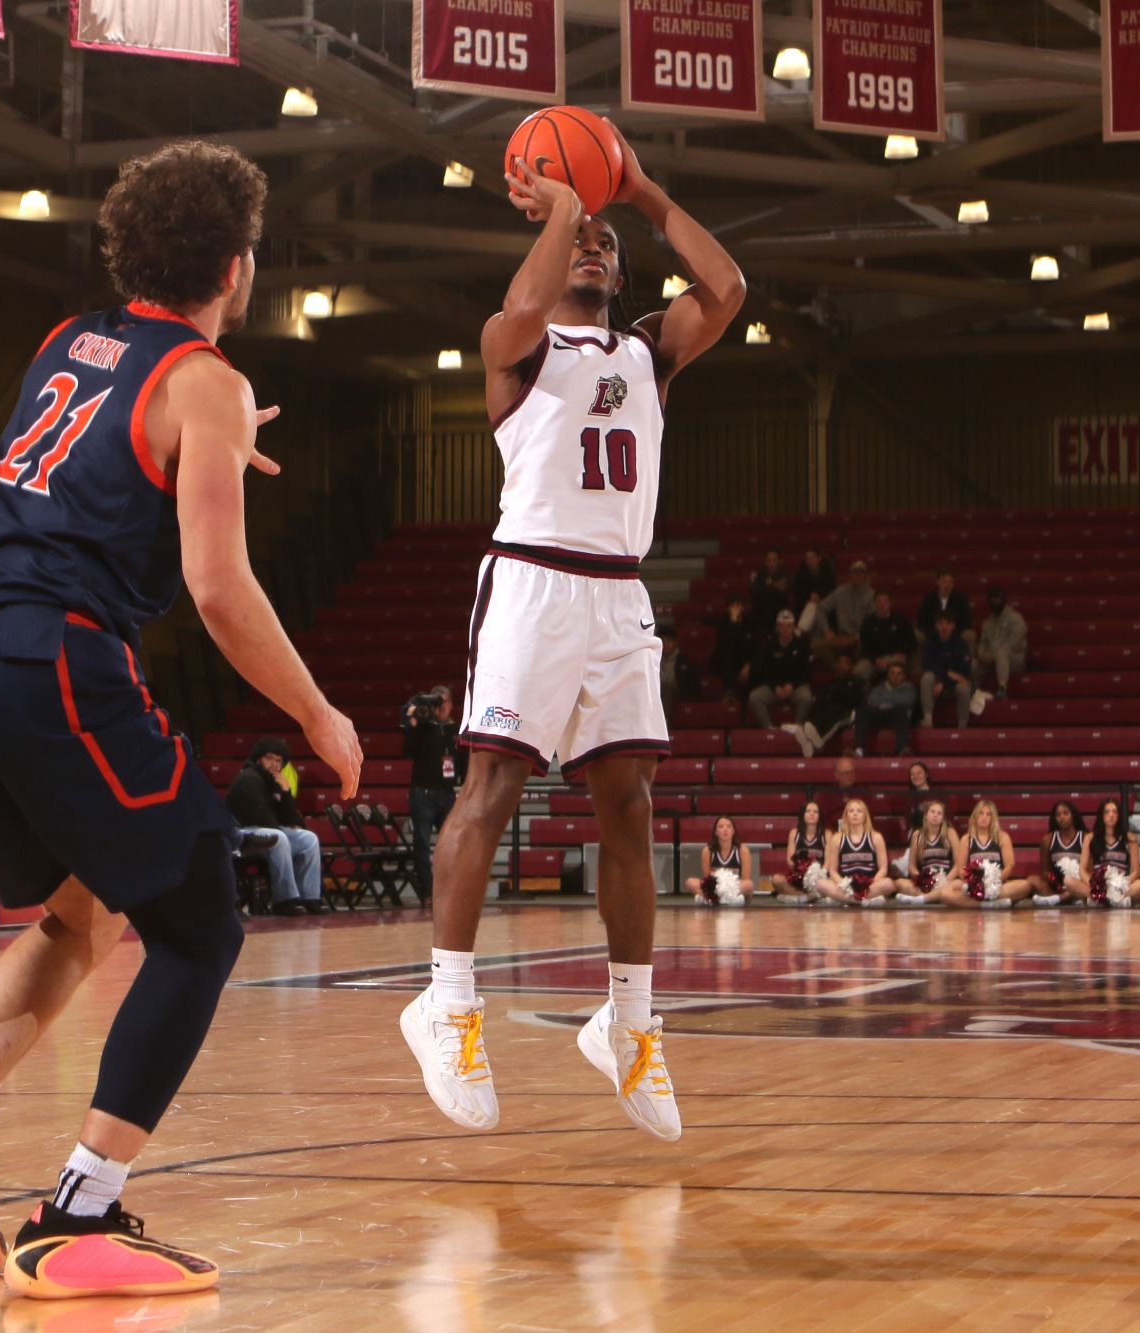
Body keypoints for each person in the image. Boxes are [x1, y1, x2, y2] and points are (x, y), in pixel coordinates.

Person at [0, 140, 362, 1303]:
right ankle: (78, 1212)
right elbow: (220, 593)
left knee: (78, 912)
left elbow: (97, 460)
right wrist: (319, 713)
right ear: (238, 265)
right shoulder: (205, 380)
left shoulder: (69, 342)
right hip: (49, 663)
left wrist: (216, 441)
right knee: (199, 925)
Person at [403, 120, 741, 1148]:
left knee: (628, 806)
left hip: (616, 594)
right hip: (533, 584)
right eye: (576, 239)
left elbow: (725, 291)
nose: (592, 245)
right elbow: (516, 305)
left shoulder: (646, 350)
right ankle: (446, 1003)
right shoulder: (517, 348)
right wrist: (561, 212)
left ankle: (628, 1020)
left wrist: (635, 189)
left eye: (605, 244)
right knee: (491, 788)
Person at [226, 738, 326, 915]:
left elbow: (290, 818)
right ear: (259, 759)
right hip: (242, 834)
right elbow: (260, 817)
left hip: (266, 831)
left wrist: (286, 793)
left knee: (309, 839)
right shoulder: (248, 778)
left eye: (278, 761)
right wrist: (282, 831)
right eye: (270, 759)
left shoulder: (274, 781)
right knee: (279, 838)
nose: (274, 764)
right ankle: (284, 900)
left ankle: (309, 897)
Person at [400, 686, 462, 906]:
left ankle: (452, 889)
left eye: (444, 702)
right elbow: (407, 751)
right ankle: (427, 890)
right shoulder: (423, 727)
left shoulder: (456, 729)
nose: (441, 707)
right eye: (436, 703)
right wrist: (413, 724)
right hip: (422, 793)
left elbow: (462, 762)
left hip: (446, 793)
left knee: (452, 844)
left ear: (451, 704)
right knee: (422, 843)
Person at [940, 799, 1033, 906]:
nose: (984, 817)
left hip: (997, 885)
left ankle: (984, 899)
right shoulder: (967, 839)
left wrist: (994, 881)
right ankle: (988, 904)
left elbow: (1010, 865)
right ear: (975, 816)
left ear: (993, 818)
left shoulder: (1002, 837)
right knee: (944, 893)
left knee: (1025, 885)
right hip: (973, 885)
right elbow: (961, 868)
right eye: (981, 813)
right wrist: (973, 883)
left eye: (988, 814)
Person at [745, 609, 815, 729]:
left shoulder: (802, 645)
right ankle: (768, 727)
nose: (785, 629)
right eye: (782, 626)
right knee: (754, 697)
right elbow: (765, 671)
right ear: (777, 628)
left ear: (794, 627)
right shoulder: (769, 645)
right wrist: (775, 686)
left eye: (788, 626)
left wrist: (792, 685)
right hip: (774, 688)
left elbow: (806, 672)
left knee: (807, 698)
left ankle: (798, 727)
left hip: (795, 687)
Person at [819, 797, 894, 905]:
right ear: (846, 816)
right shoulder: (837, 838)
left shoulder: (876, 837)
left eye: (859, 811)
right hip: (846, 884)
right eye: (851, 811)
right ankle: (864, 900)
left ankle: (843, 899)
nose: (855, 814)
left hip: (869, 884)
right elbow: (833, 870)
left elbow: (883, 869)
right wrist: (843, 884)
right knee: (820, 884)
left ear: (865, 816)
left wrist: (870, 883)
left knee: (888, 884)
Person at [793, 651, 863, 757]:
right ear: (835, 665)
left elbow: (854, 700)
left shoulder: (857, 682)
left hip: (846, 714)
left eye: (846, 663)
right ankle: (807, 735)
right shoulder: (829, 684)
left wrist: (835, 696)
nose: (842, 666)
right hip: (828, 712)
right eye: (839, 663)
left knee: (833, 718)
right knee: (817, 717)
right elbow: (820, 702)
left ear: (852, 666)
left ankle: (814, 743)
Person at [1087, 799, 1140, 906]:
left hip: (1121, 885)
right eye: (1107, 812)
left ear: (1120, 815)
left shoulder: (1130, 838)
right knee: (1069, 881)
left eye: (1115, 812)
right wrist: (1095, 884)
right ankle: (1115, 900)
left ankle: (1105, 901)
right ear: (1101, 815)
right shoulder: (1090, 838)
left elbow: (1136, 871)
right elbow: (1082, 870)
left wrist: (1121, 884)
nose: (1111, 815)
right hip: (1100, 885)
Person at [895, 799, 962, 903]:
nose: (935, 815)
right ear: (926, 815)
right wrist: (921, 879)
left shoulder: (950, 833)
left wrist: (946, 880)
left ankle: (922, 899)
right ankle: (930, 897)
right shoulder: (917, 835)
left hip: (946, 879)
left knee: (959, 884)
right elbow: (912, 866)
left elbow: (958, 863)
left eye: (939, 813)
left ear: (943, 818)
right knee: (900, 883)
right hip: (926, 881)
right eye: (932, 812)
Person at [918, 613, 973, 730]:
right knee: (927, 677)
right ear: (936, 626)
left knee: (963, 688)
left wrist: (944, 683)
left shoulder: (961, 644)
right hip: (937, 682)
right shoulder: (930, 641)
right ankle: (928, 719)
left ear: (953, 626)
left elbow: (964, 673)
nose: (944, 627)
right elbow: (926, 664)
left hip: (954, 684)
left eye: (947, 624)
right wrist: (947, 673)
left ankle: (962, 727)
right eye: (940, 624)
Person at [684, 814, 755, 905]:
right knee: (690, 882)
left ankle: (710, 900)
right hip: (715, 888)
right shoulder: (708, 851)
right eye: (721, 827)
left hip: (734, 888)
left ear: (733, 831)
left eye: (729, 827)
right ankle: (728, 902)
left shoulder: (742, 850)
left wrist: (728, 886)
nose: (725, 830)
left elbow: (745, 879)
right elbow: (707, 879)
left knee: (749, 884)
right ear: (716, 832)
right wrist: (718, 887)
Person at [816, 560, 875, 668]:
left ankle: (849, 670)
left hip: (860, 638)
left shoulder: (872, 596)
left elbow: (872, 623)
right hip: (841, 636)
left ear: (866, 575)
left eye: (861, 572)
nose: (857, 575)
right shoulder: (840, 591)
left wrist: (856, 637)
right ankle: (842, 667)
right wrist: (826, 630)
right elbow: (820, 609)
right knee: (816, 646)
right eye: (854, 571)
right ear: (850, 574)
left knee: (867, 649)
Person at [768, 799, 828, 904]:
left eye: (815, 812)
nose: (811, 814)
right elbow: (790, 860)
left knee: (829, 885)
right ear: (803, 814)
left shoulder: (826, 834)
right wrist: (802, 871)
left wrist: (816, 874)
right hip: (799, 876)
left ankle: (792, 897)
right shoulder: (794, 833)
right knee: (776, 879)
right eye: (808, 811)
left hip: (818, 878)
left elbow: (828, 862)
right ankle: (806, 897)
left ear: (820, 815)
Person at [855, 659, 918, 756]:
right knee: (863, 710)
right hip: (878, 716)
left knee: (900, 708)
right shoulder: (877, 689)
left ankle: (902, 749)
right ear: (888, 675)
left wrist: (885, 700)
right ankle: (859, 750)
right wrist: (892, 701)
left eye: (899, 673)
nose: (895, 676)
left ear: (904, 676)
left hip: (896, 718)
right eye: (892, 673)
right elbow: (872, 702)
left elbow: (907, 701)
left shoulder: (909, 688)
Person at [975, 586, 1026, 699]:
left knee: (1001, 652)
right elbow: (983, 643)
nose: (995, 602)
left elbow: (1014, 643)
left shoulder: (1016, 618)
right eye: (992, 600)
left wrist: (994, 657)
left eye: (997, 599)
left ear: (1003, 600)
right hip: (992, 660)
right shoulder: (987, 623)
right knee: (973, 665)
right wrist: (982, 656)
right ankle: (974, 692)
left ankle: (1002, 689)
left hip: (1014, 659)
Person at [1036, 800, 1092, 906]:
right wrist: (1056, 879)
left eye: (1066, 813)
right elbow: (1044, 871)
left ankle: (1061, 898)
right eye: (1058, 815)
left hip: (1079, 881)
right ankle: (1075, 896)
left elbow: (1090, 870)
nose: (1062, 817)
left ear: (1073, 815)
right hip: (1056, 885)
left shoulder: (1085, 838)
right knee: (1032, 881)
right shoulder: (1047, 840)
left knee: (1085, 883)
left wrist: (1075, 878)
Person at [854, 592, 917, 684]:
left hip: (894, 657)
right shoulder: (867, 623)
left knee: (896, 667)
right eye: (879, 601)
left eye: (885, 601)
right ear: (874, 603)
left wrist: (904, 653)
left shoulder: (901, 620)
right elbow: (864, 647)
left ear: (890, 603)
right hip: (873, 659)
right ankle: (868, 697)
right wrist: (875, 659)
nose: (882, 605)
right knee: (859, 671)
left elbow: (913, 642)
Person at [704, 597, 758, 698]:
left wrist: (748, 665)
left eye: (738, 605)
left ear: (743, 608)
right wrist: (733, 621)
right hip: (725, 659)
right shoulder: (722, 623)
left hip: (743, 659)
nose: (735, 608)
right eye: (732, 605)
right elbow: (728, 643)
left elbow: (754, 647)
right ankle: (729, 693)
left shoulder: (749, 624)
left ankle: (748, 700)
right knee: (727, 657)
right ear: (728, 608)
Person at [918, 570, 972, 640]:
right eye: (944, 581)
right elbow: (922, 622)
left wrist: (950, 633)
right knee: (918, 635)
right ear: (938, 582)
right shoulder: (928, 599)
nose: (947, 585)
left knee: (970, 635)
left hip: (955, 633)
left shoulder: (961, 599)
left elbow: (966, 623)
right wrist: (935, 634)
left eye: (950, 582)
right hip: (932, 633)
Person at [792, 547, 836, 631]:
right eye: (807, 558)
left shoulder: (828, 571)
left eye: (812, 557)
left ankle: (800, 630)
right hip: (805, 603)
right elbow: (797, 591)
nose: (809, 561)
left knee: (814, 607)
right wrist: (809, 597)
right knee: (811, 606)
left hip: (825, 603)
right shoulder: (801, 572)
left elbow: (832, 590)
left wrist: (820, 597)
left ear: (819, 558)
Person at [747, 548, 790, 627]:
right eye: (769, 559)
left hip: (778, 607)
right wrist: (774, 585)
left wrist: (766, 585)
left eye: (774, 560)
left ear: (780, 561)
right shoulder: (757, 572)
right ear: (765, 560)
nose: (771, 562)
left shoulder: (785, 574)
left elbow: (783, 591)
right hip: (760, 608)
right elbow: (753, 590)